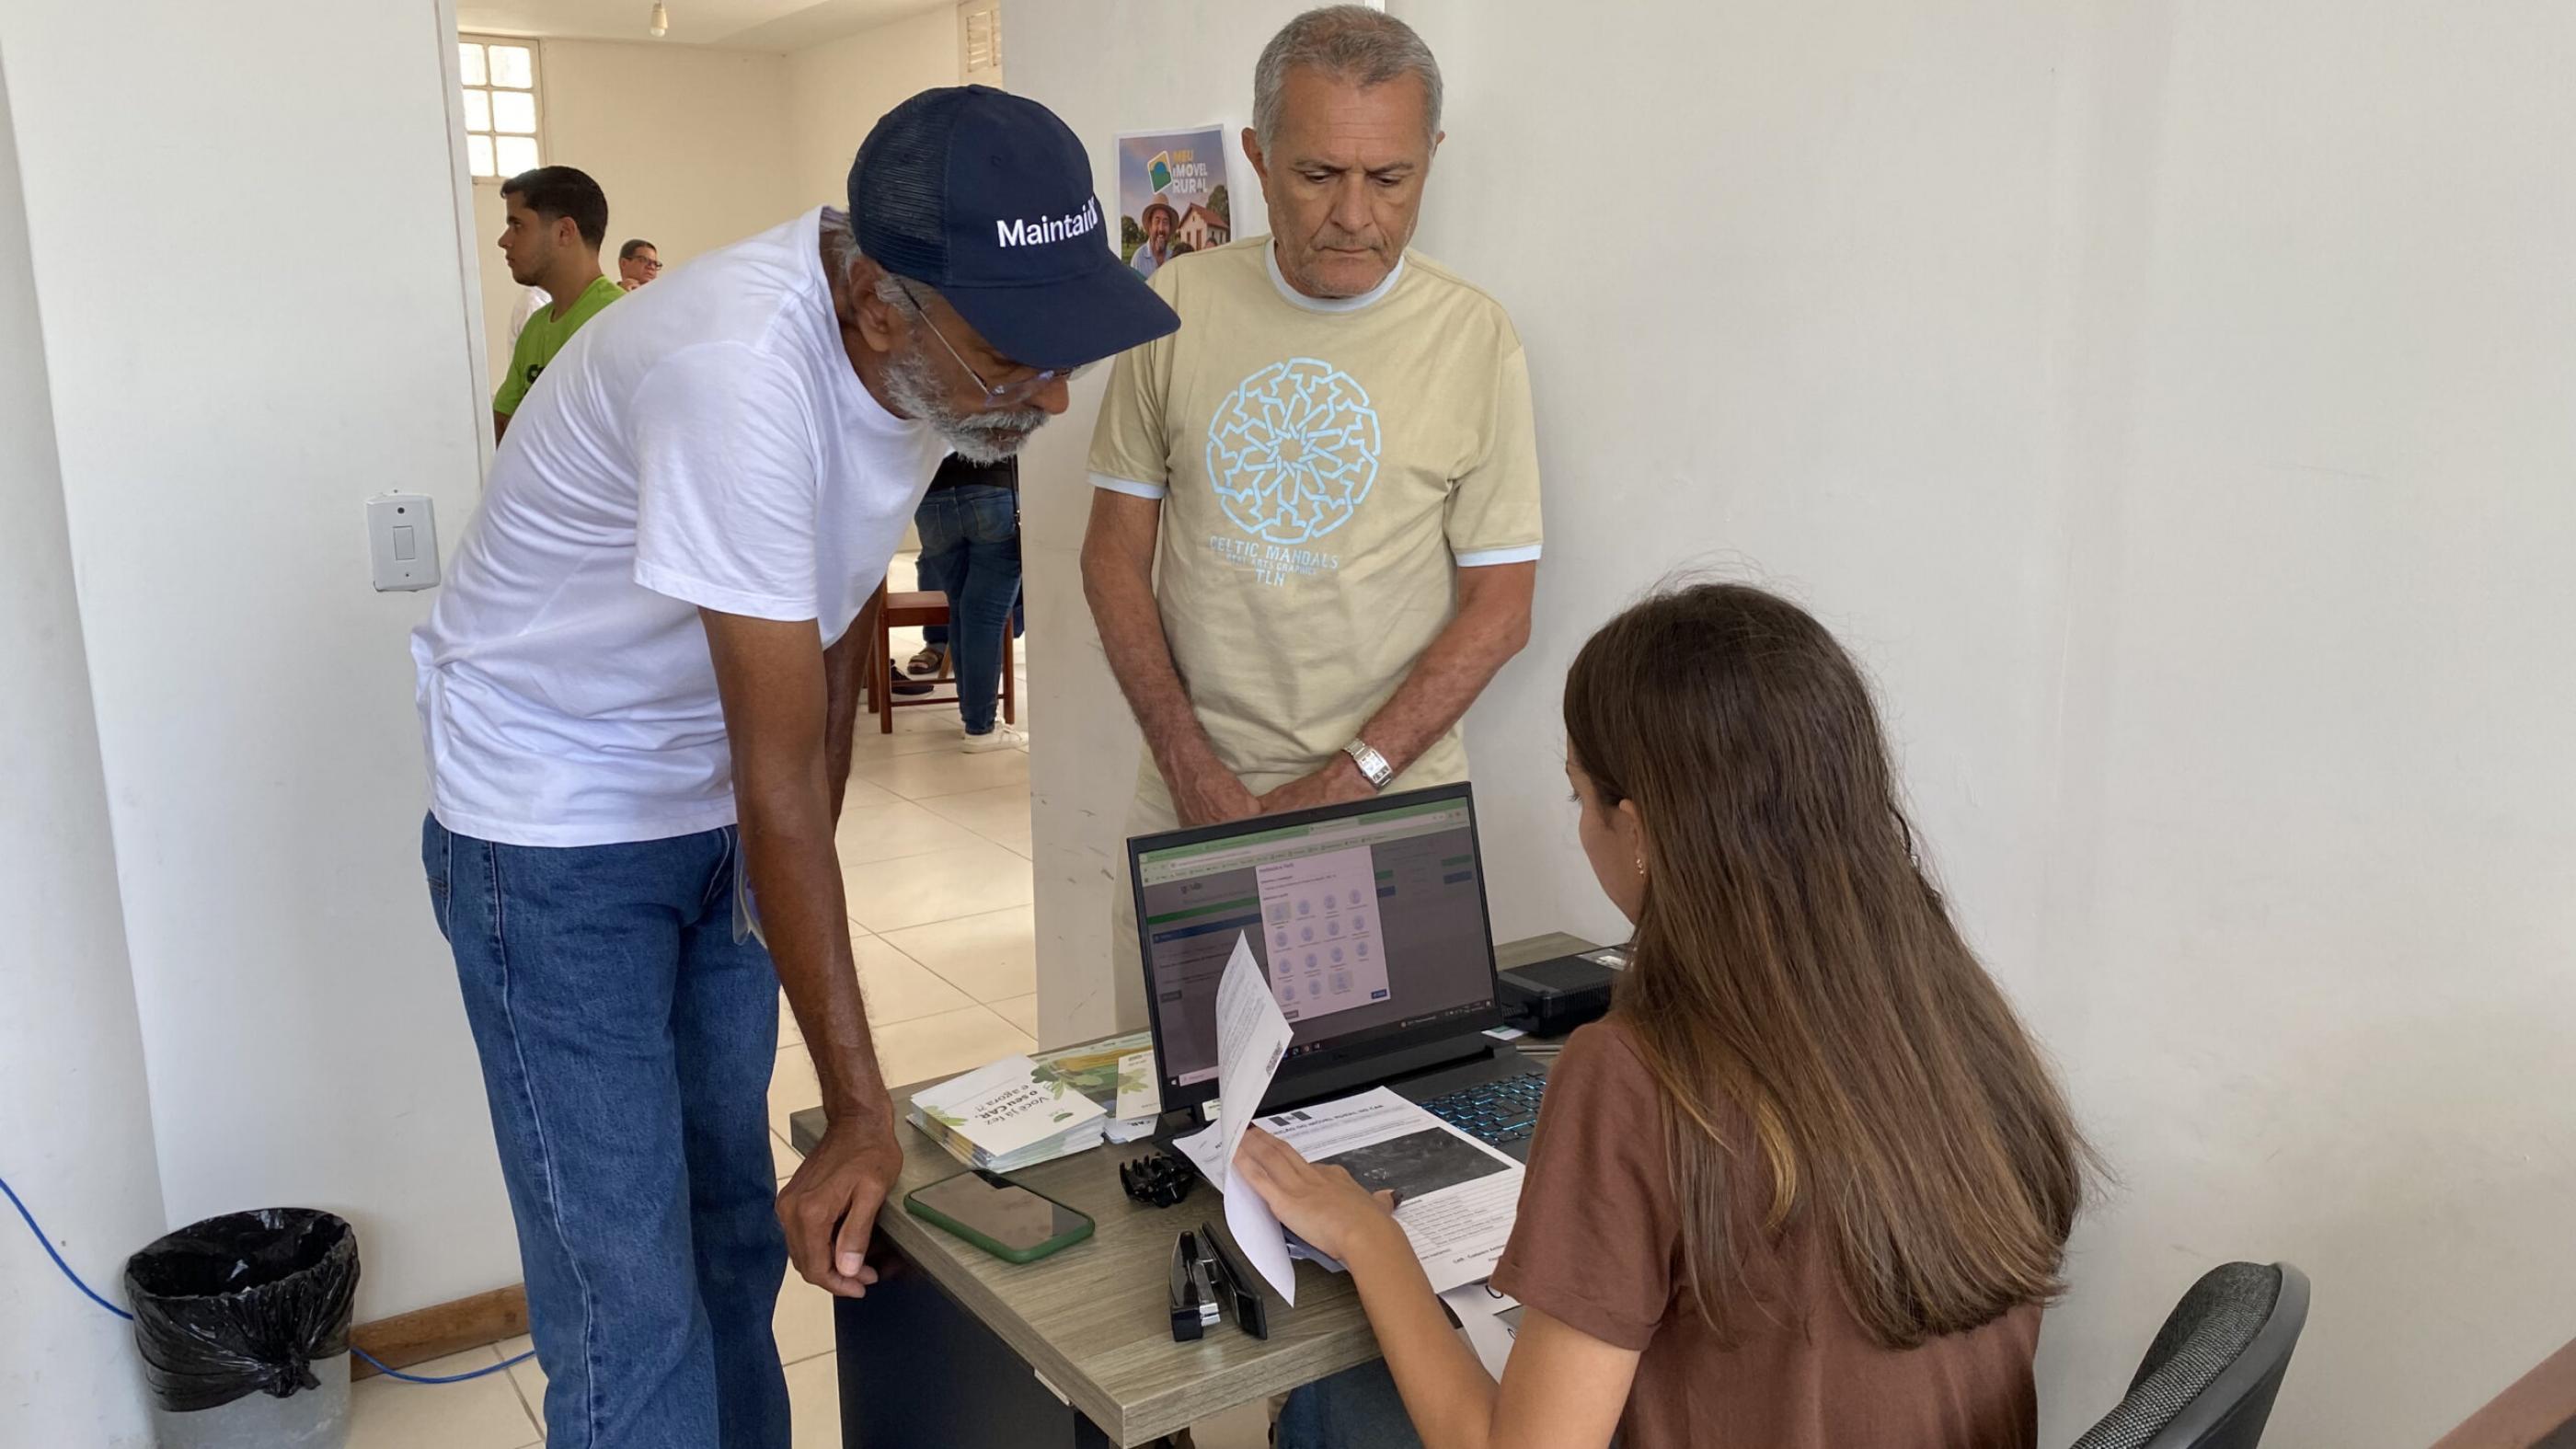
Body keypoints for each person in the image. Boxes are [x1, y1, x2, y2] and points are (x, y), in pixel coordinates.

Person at [410, 86, 1176, 1449]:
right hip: (552, 819)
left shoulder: (919, 352)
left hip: (712, 802)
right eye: (1019, 357)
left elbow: (828, 631)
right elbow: (774, 779)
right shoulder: (734, 372)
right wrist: (865, 1108)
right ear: (883, 305)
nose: (1052, 395)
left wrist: (778, 889)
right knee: (628, 1296)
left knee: (730, 1238)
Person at [1236, 582, 2094, 1449]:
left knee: (1334, 1403)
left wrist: (1372, 1240)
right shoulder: (1958, 1017)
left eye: (1579, 797)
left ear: (1637, 827)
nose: (1579, 825)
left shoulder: (1634, 1071)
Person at [1084, 6, 1540, 1016]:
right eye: (1316, 174)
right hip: (1194, 797)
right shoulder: (1172, 309)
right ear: (1255, 155)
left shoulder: (1474, 339)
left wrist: (1347, 782)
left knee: (1399, 1123)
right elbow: (1113, 554)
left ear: (1431, 159)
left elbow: (1501, 605)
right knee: (1181, 1127)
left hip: (1394, 807)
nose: (1353, 216)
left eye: (1389, 179)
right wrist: (1187, 760)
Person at [491, 166, 622, 441]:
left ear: (564, 232)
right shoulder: (535, 327)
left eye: (517, 226)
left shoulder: (617, 319)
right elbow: (503, 427)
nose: (504, 241)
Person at [911, 452, 1027, 751]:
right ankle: (980, 728)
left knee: (962, 612)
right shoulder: (1000, 400)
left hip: (931, 498)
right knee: (984, 618)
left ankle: (974, 718)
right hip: (992, 488)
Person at [1131, 198, 1179, 278]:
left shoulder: (1173, 258)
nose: (1161, 229)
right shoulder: (1138, 259)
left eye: (1165, 222)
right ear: (1150, 226)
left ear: (1170, 228)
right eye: (1157, 221)